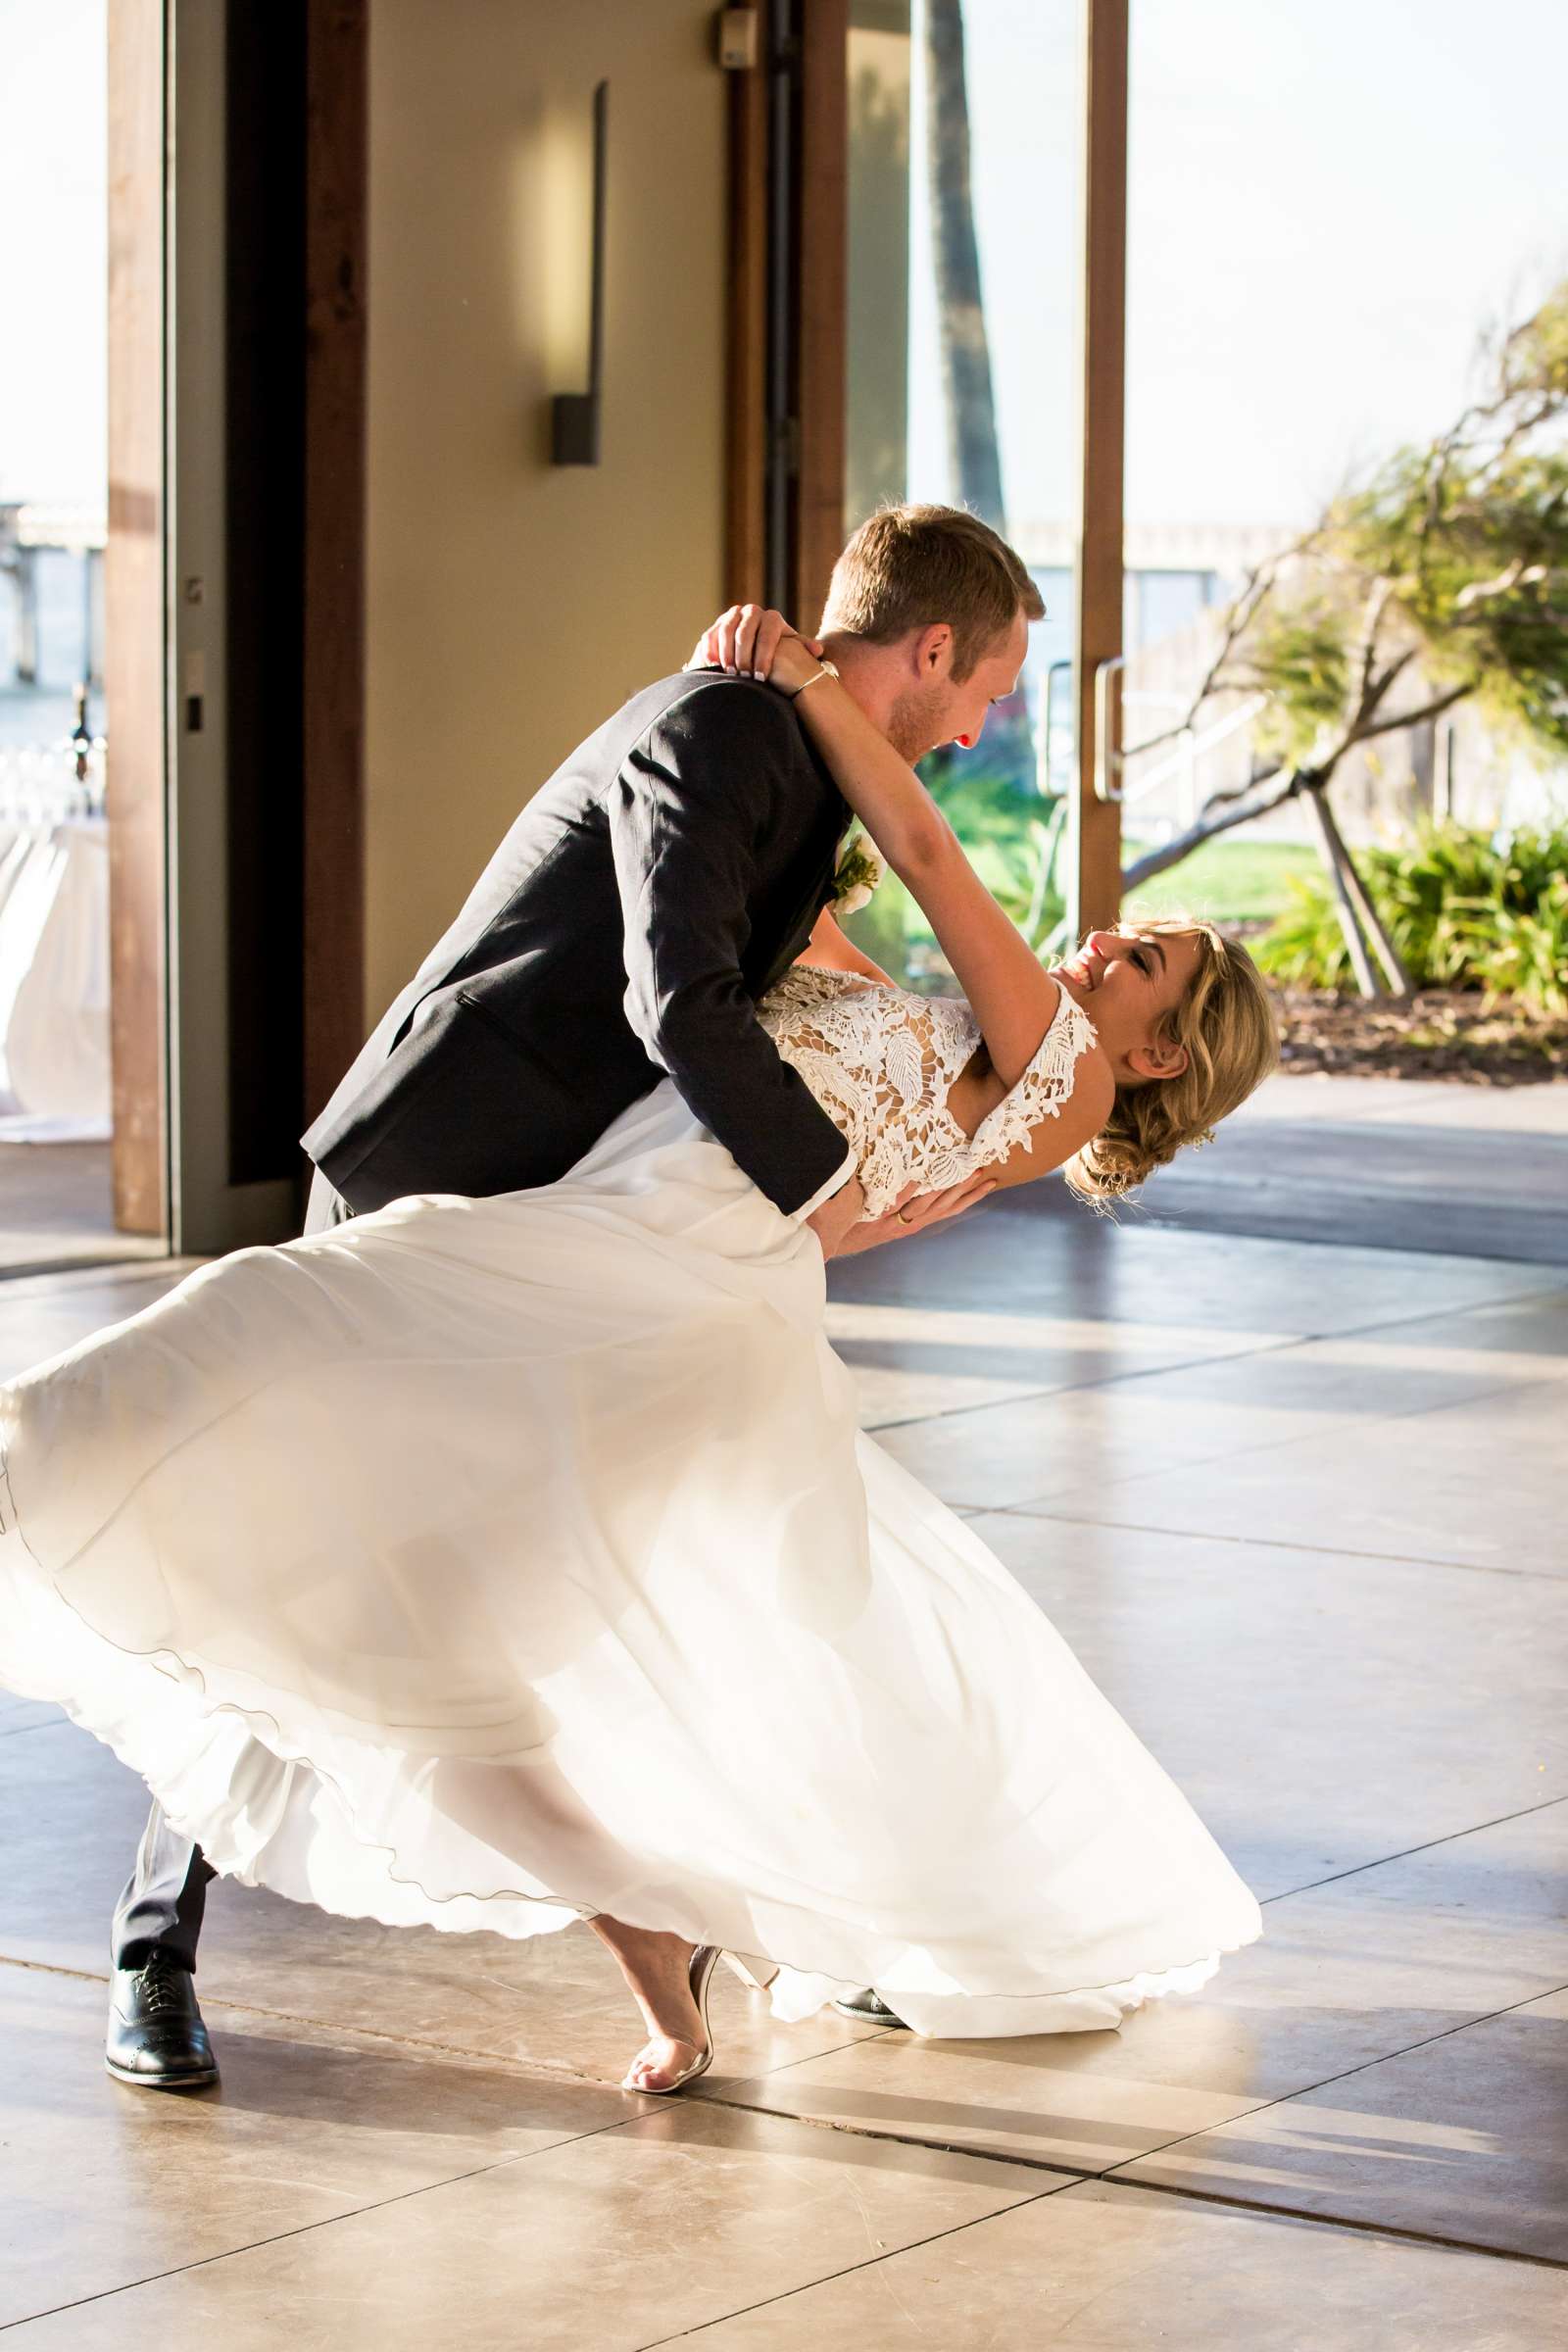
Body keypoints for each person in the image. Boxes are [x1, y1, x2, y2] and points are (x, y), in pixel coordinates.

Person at [0, 530, 1277, 2101]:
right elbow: (776, 977)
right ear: (932, 654)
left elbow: (915, 906)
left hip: (660, 1252)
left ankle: (695, 1923)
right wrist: (792, 695)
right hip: (537, 1184)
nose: (1102, 940)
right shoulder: (733, 742)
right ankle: (231, 1936)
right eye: (992, 688)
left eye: (1139, 957)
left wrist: (811, 682)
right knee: (358, 1545)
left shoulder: (1060, 1062)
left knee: (368, 1533)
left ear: (1155, 1056)